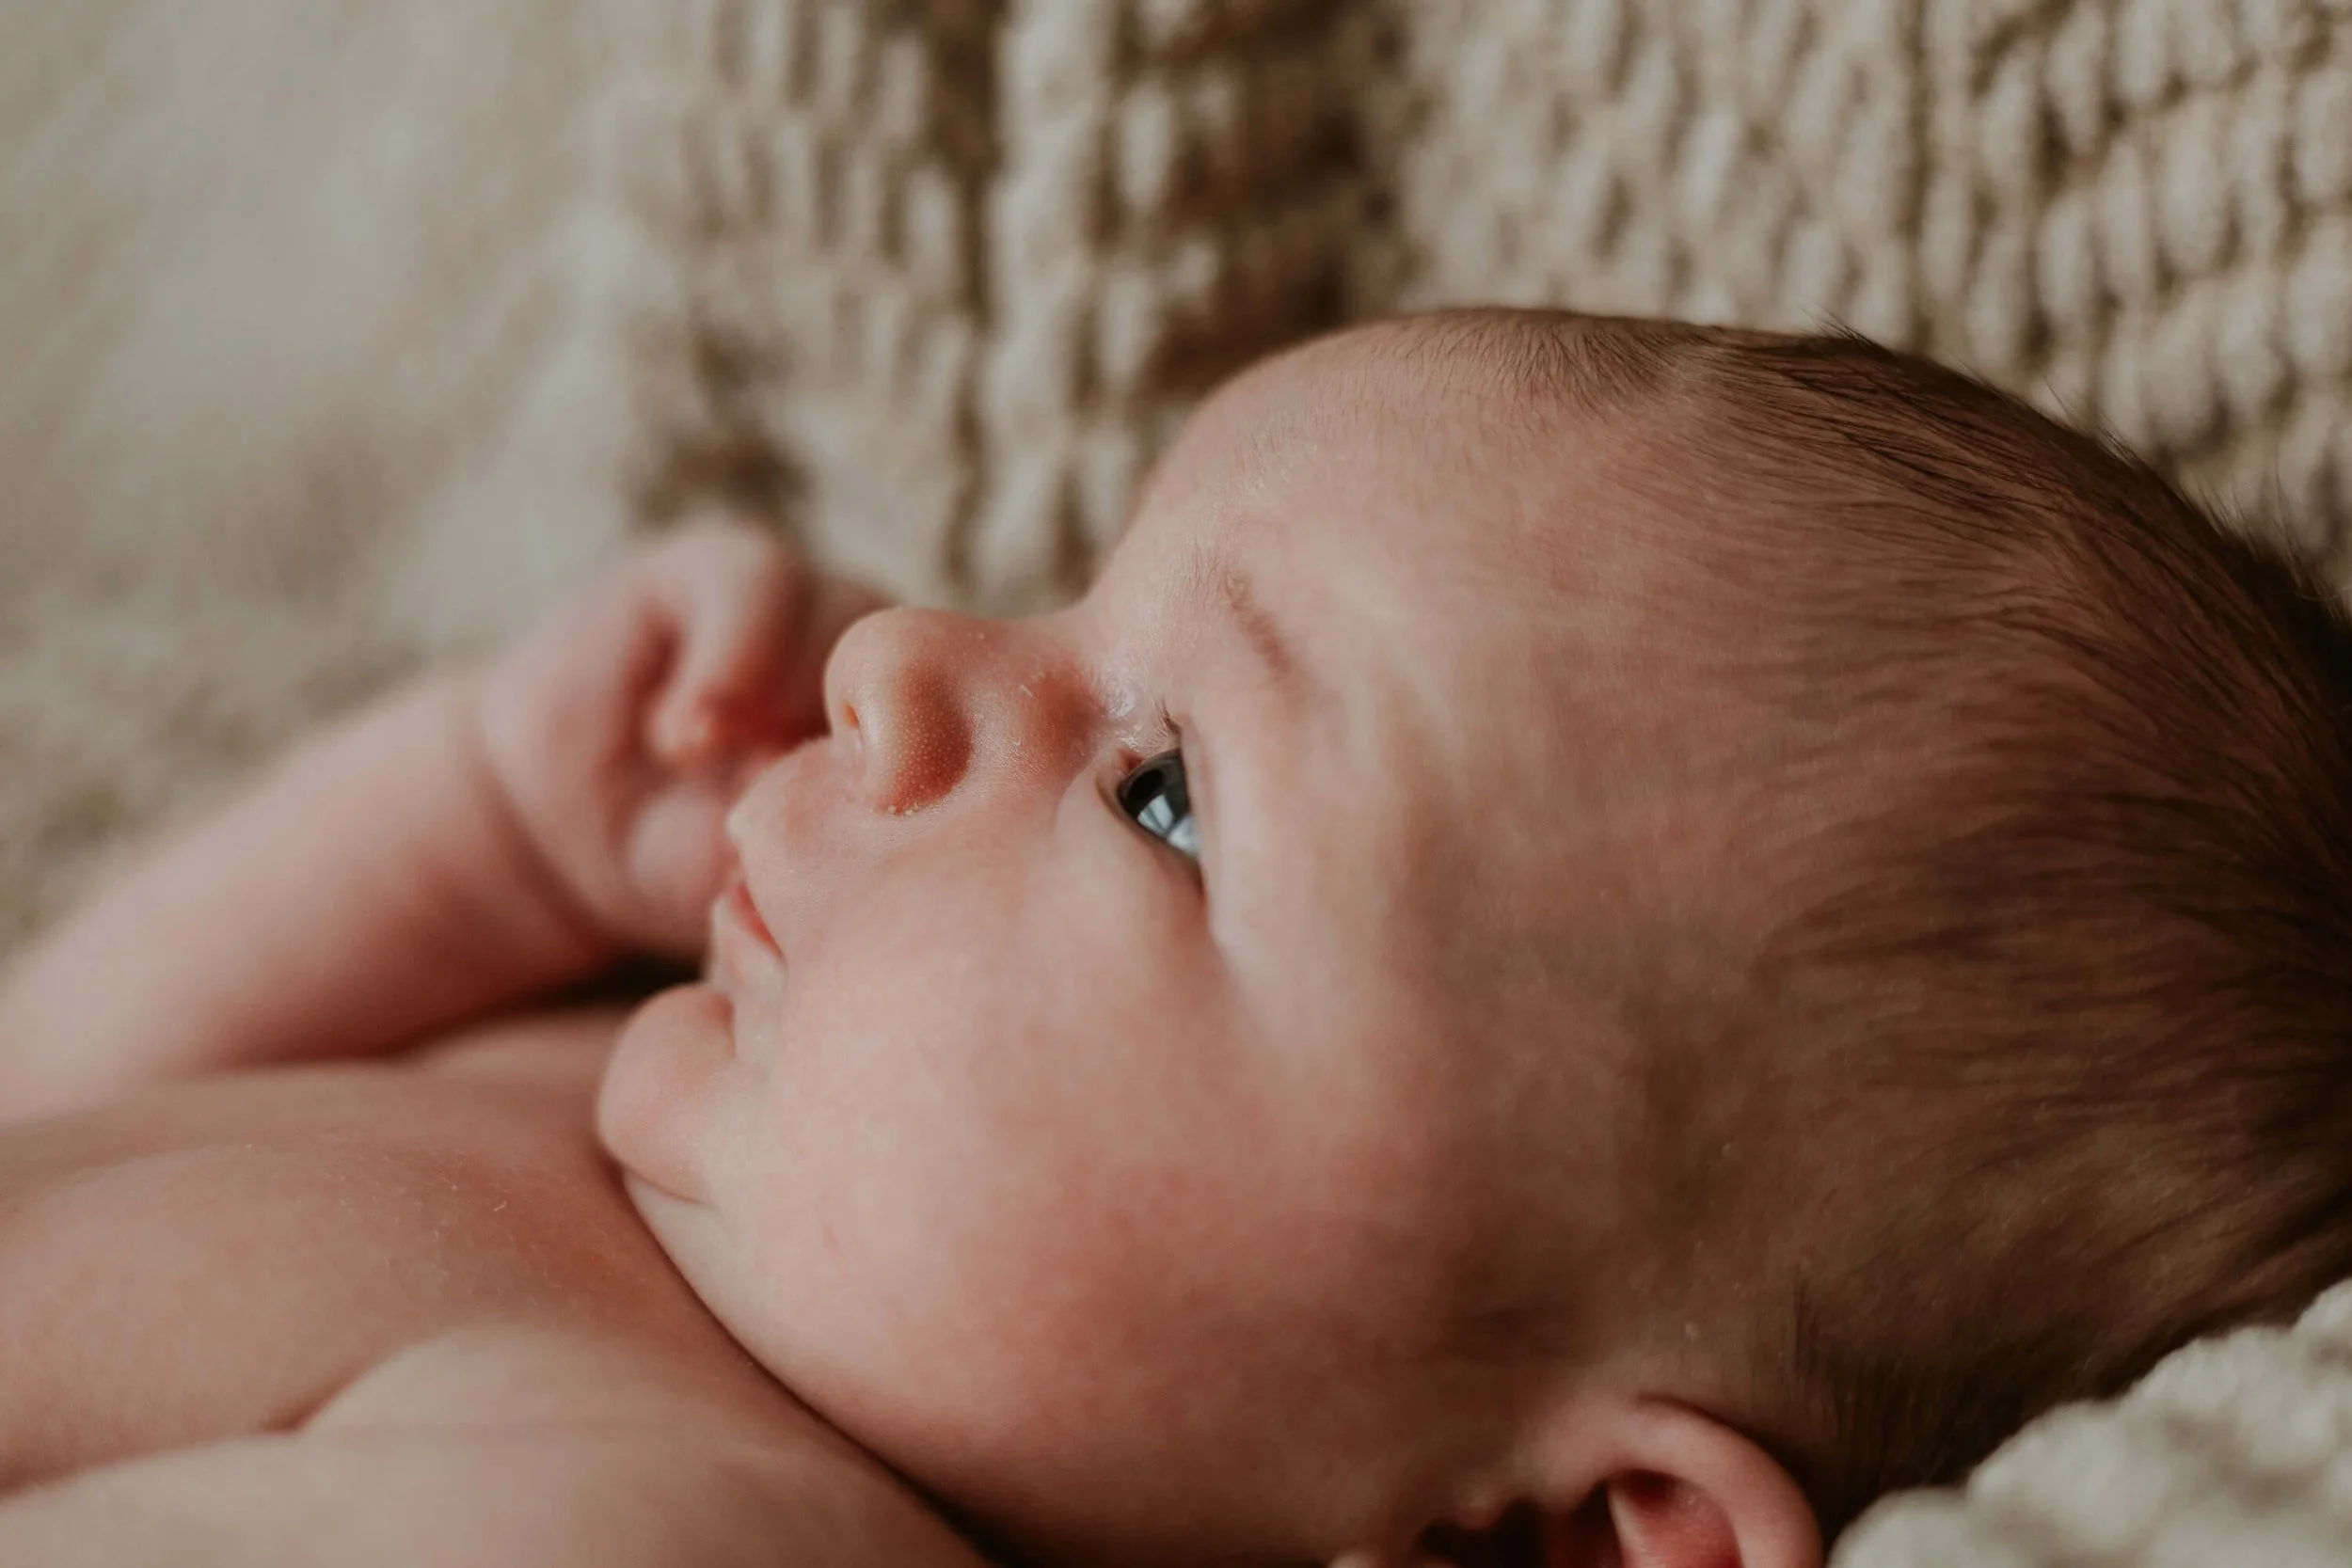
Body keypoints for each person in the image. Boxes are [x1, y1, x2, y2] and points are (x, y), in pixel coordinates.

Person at [7, 308, 2352, 1567]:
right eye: (1073, 590)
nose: (895, 655)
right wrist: (485, 834)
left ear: (1548, 1540)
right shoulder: (709, 1134)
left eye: (1160, 794)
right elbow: (65, 1101)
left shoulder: (664, 1507)